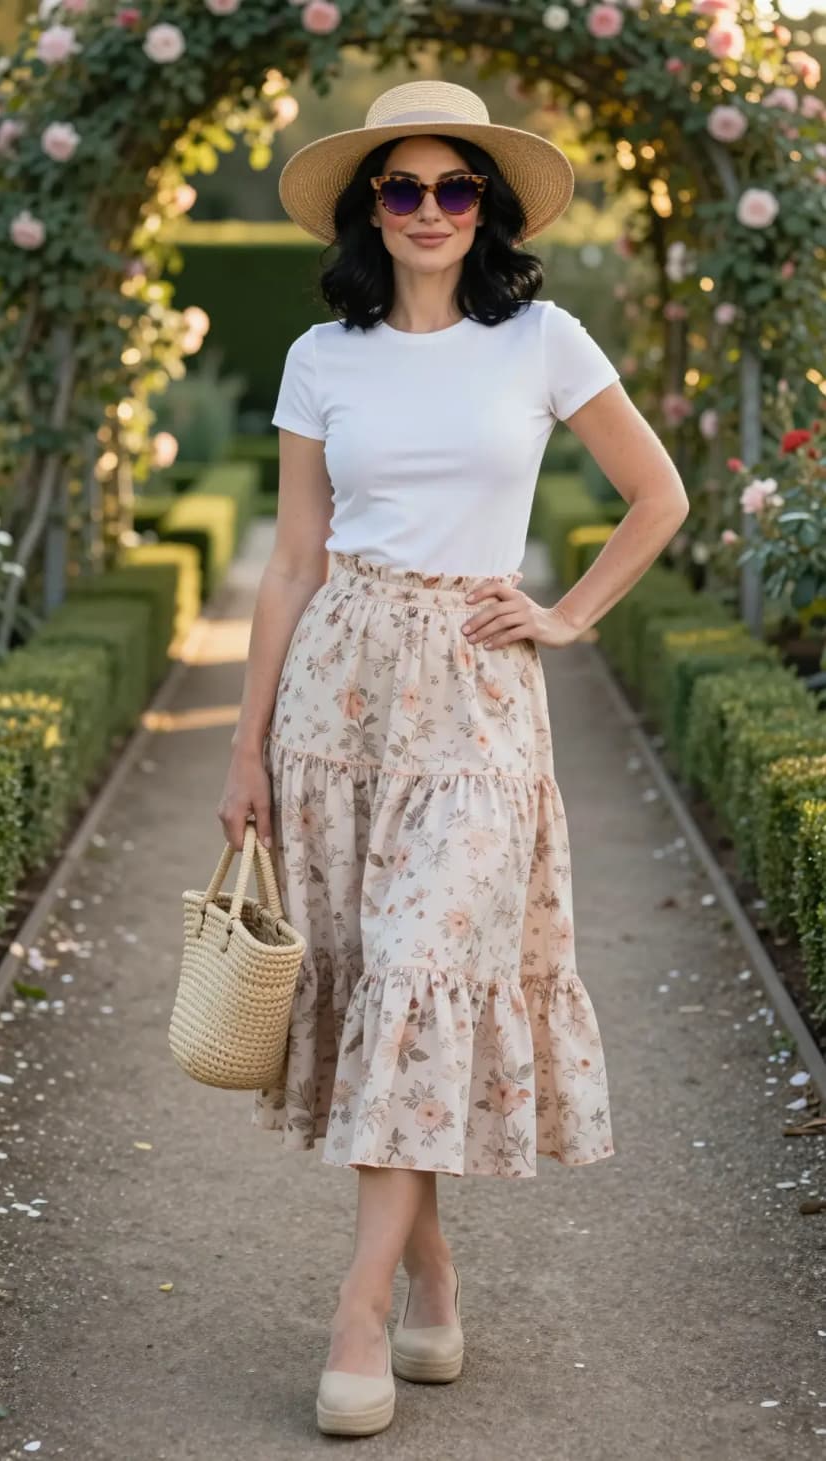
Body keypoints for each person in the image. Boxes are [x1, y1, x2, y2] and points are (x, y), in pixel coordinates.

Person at [217, 79, 689, 1437]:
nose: (430, 209)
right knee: (376, 988)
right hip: (338, 694)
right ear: (373, 208)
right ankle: (431, 1275)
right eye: (405, 187)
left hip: (478, 699)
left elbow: (657, 496)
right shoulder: (323, 357)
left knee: (424, 967)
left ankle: (358, 1310)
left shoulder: (543, 340)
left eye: (456, 186)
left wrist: (568, 615)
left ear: (488, 209)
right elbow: (293, 560)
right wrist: (245, 746)